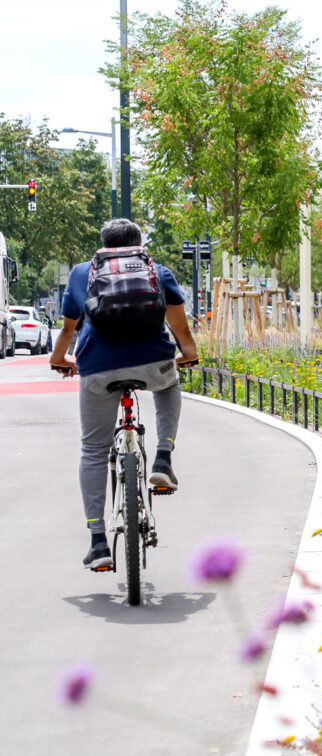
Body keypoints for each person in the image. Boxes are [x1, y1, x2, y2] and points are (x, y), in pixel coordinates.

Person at [49, 219, 199, 571]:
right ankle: (163, 457)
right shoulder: (156, 271)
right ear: (137, 244)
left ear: (103, 244)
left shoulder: (82, 274)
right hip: (153, 363)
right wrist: (188, 355)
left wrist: (60, 360)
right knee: (168, 382)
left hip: (98, 369)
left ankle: (98, 540)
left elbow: (68, 329)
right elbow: (180, 328)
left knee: (93, 450)